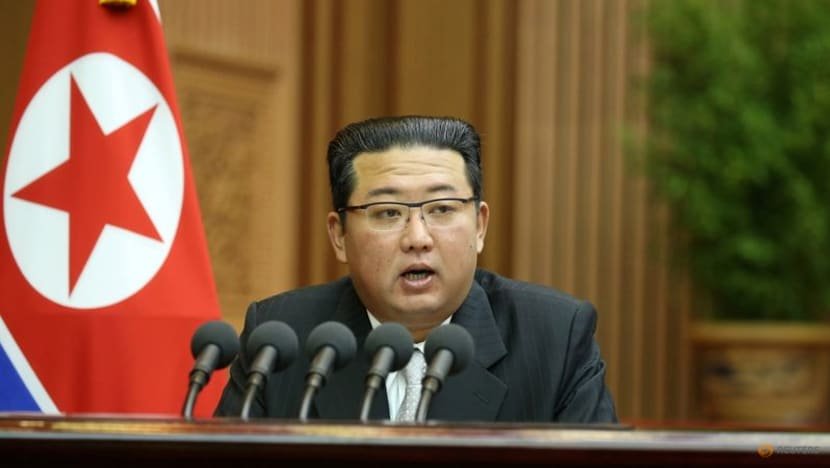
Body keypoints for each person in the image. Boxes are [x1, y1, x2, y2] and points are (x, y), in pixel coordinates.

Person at [214, 115, 617, 423]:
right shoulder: (279, 341)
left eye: (441, 209)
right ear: (339, 235)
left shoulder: (555, 337)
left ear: (479, 226)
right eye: (388, 212)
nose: (418, 238)